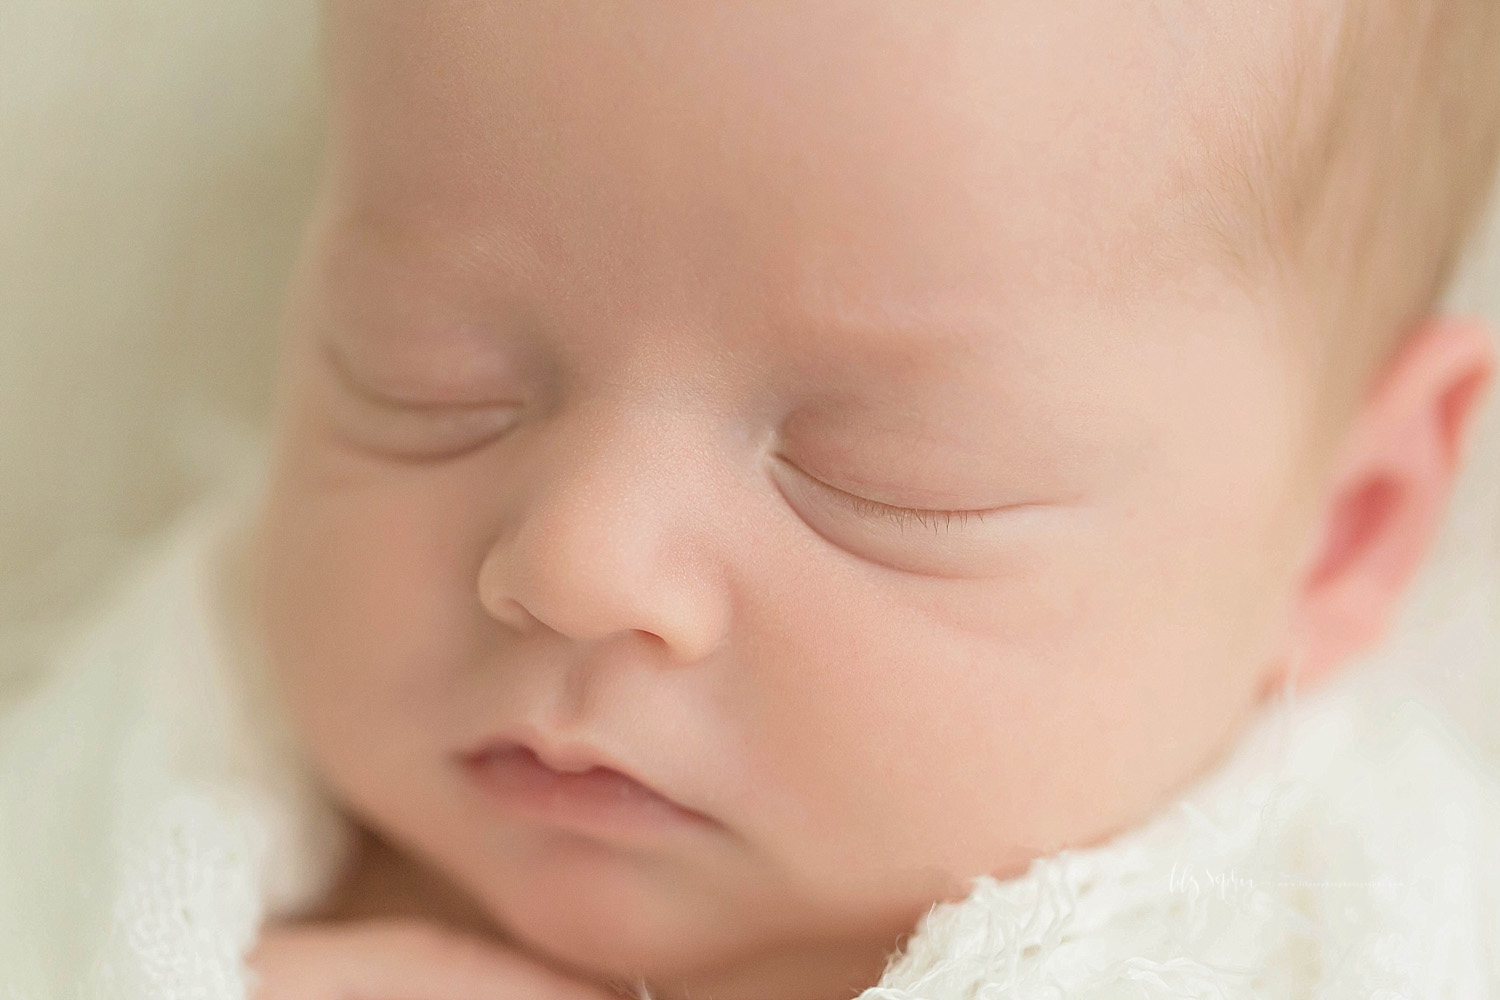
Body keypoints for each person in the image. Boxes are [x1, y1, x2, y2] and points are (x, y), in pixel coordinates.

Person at [3, 2, 1500, 998]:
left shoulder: (1323, 931)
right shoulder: (166, 772)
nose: (579, 564)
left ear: (1345, 526)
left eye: (880, 481)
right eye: (427, 379)